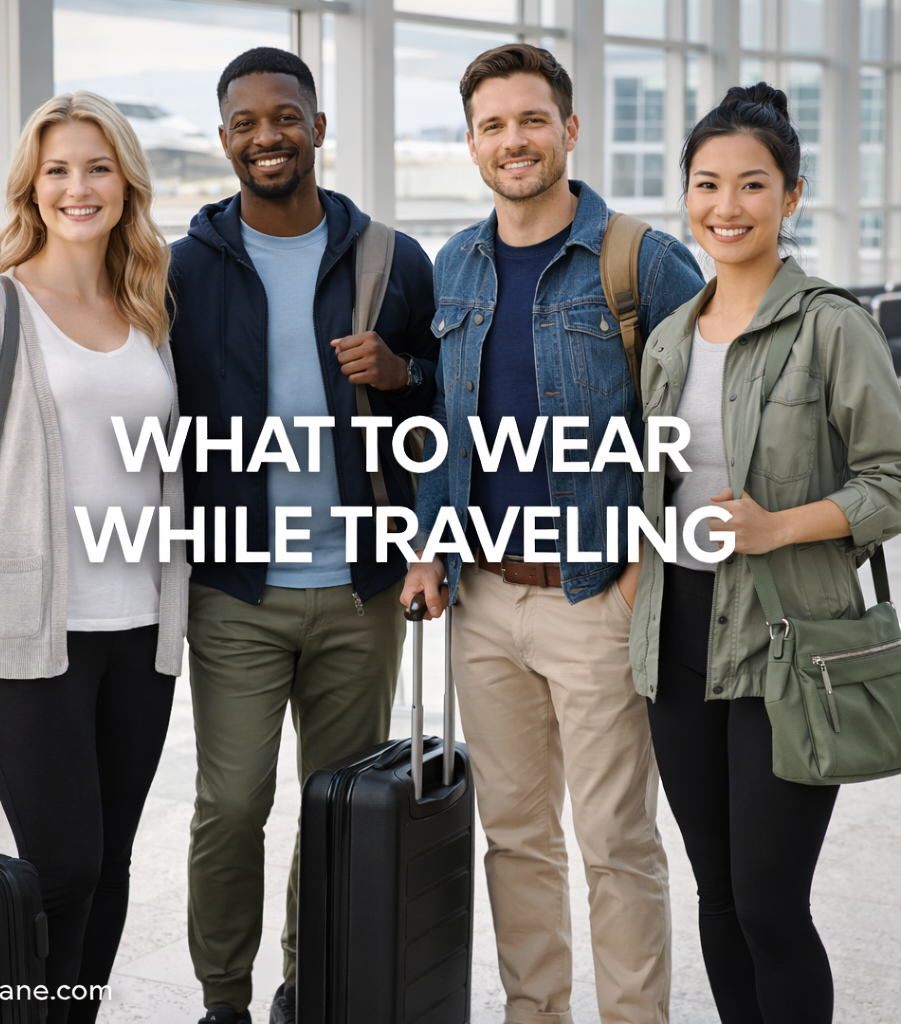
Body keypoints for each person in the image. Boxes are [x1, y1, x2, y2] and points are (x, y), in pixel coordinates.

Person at [402, 43, 705, 1024]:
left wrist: (636, 574)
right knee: (514, 834)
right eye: (492, 125)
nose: (513, 140)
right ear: (471, 143)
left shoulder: (641, 259)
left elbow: (698, 432)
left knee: (614, 839)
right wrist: (426, 546)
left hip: (594, 595)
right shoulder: (456, 264)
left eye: (531, 119)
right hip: (482, 598)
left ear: (569, 129)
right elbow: (447, 430)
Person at [0, 92, 187, 1024]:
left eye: (97, 167)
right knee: (63, 866)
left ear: (125, 181)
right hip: (24, 631)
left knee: (114, 864)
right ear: (32, 186)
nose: (77, 187)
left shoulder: (150, 308)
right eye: (57, 170)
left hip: (142, 631)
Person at [167, 48, 438, 1024]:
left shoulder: (391, 261)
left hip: (360, 591)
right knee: (232, 803)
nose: (267, 135)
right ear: (226, 138)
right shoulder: (182, 270)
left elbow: (447, 415)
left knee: (335, 809)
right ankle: (223, 1001)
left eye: (285, 116)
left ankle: (305, 983)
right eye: (245, 121)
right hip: (236, 588)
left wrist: (403, 374)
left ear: (318, 128)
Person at [629, 83, 901, 1023]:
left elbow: (894, 477)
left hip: (790, 639)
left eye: (753, 185)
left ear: (790, 197)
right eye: (707, 185)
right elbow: (654, 478)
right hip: (679, 638)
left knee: (773, 901)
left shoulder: (833, 325)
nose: (726, 207)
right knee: (720, 896)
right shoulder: (668, 340)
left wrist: (781, 524)